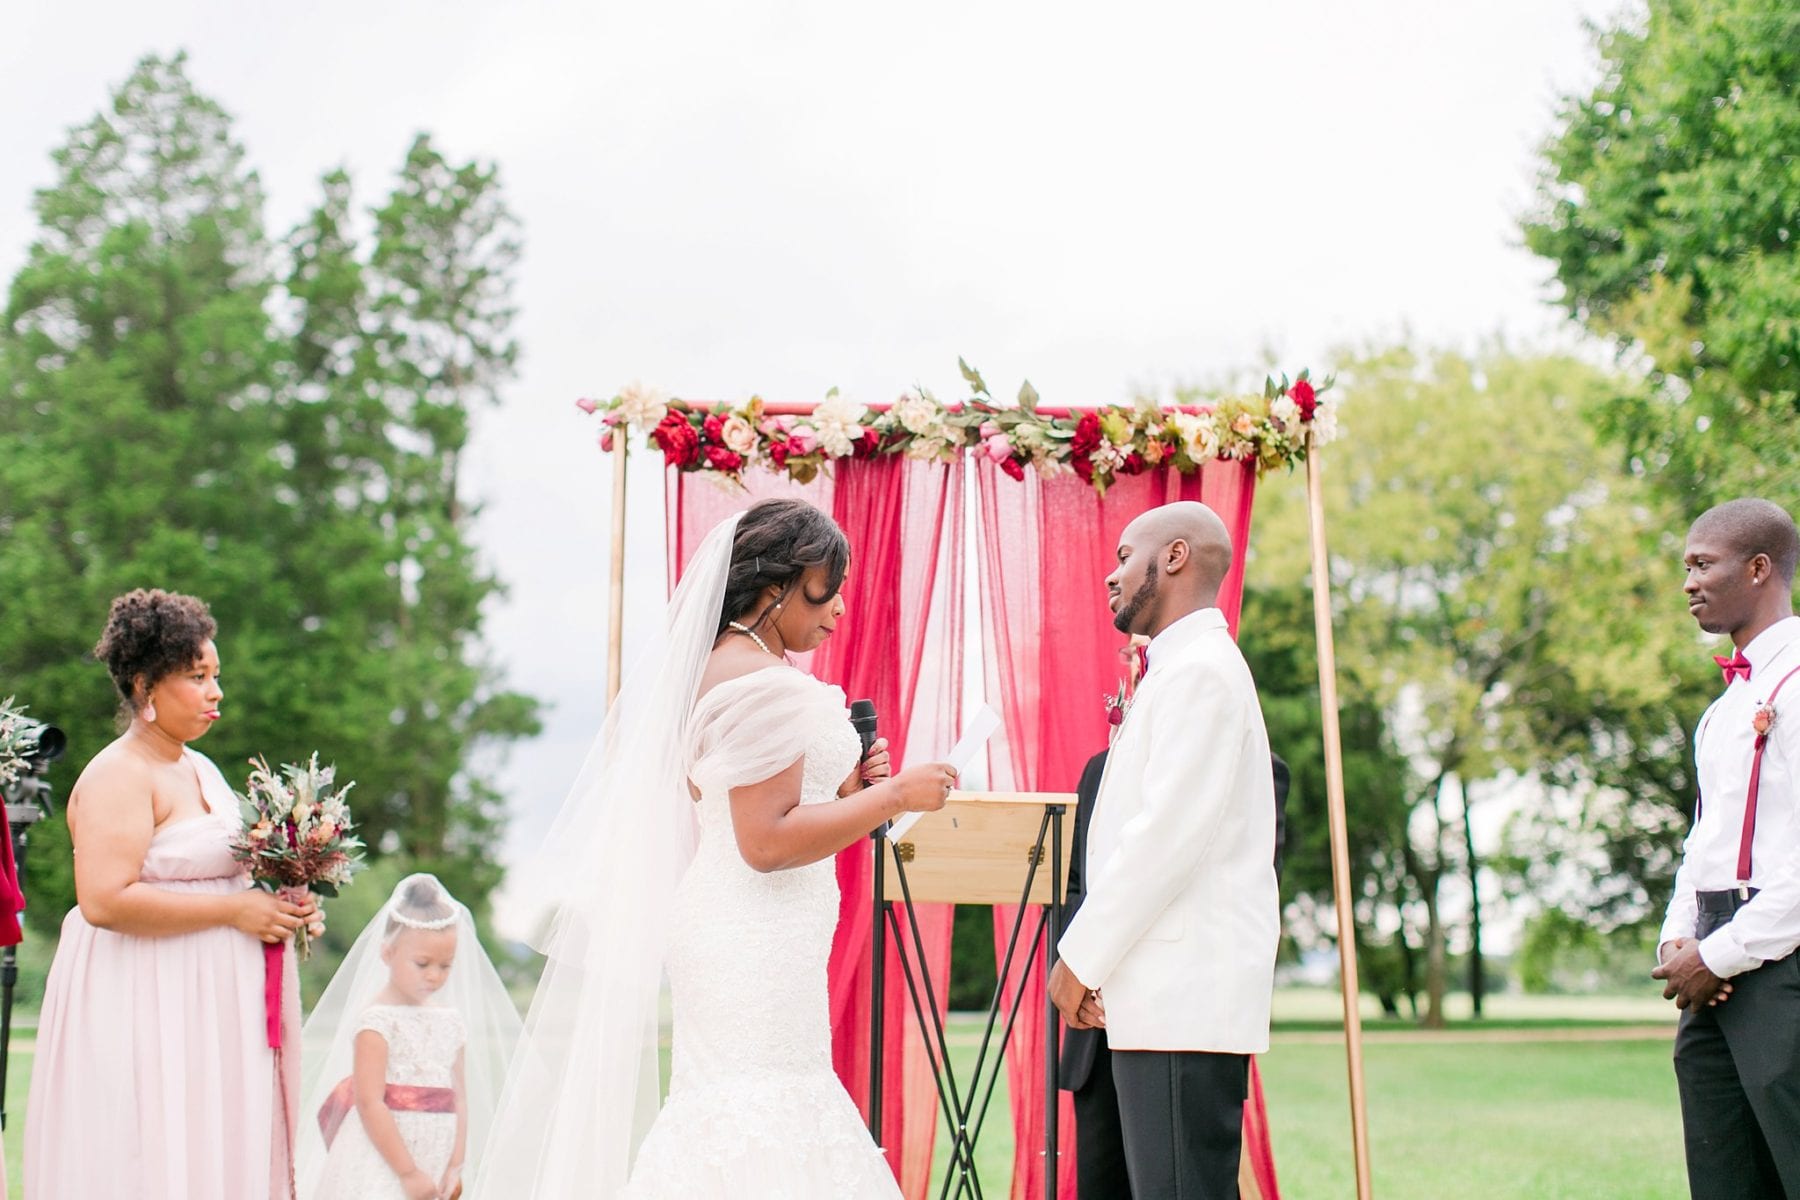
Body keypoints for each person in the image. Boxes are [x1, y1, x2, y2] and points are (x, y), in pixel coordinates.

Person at [477, 499, 957, 1197]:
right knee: (762, 1101)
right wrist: (891, 798)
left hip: (747, 923)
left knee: (746, 1102)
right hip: (754, 929)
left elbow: (742, 814)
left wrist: (848, 789)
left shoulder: (720, 668)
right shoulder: (762, 682)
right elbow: (763, 842)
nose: (840, 608)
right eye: (828, 588)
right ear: (774, 589)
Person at [24, 588, 316, 1199]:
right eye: (197, 676)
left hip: (210, 1010)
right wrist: (235, 911)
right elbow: (103, 901)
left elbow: (225, 874)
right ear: (144, 687)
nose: (216, 692)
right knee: (150, 1157)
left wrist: (280, 903)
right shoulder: (118, 775)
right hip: (145, 1000)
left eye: (216, 675)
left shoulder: (200, 767)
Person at [1049, 501, 1279, 1199]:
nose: (1111, 575)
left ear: (1174, 557)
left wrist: (1078, 959)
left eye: (1125, 555)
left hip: (1185, 999)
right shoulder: (1178, 670)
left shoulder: (1203, 672)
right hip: (1155, 1000)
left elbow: (1163, 840)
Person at [1653, 498, 1800, 1199]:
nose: (1688, 582)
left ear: (1760, 567)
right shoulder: (1721, 712)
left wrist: (1723, 953)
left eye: (1703, 564)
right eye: (1686, 566)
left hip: (1782, 965)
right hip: (1708, 969)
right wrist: (1680, 935)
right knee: (1723, 1179)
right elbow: (1704, 841)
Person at [300, 874, 521, 1200]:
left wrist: (455, 1166)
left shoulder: (450, 1022)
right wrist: (408, 1173)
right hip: (384, 1158)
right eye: (422, 964)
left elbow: (459, 1096)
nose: (434, 975)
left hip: (435, 1155)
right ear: (388, 954)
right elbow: (368, 1101)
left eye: (446, 966)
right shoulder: (377, 1021)